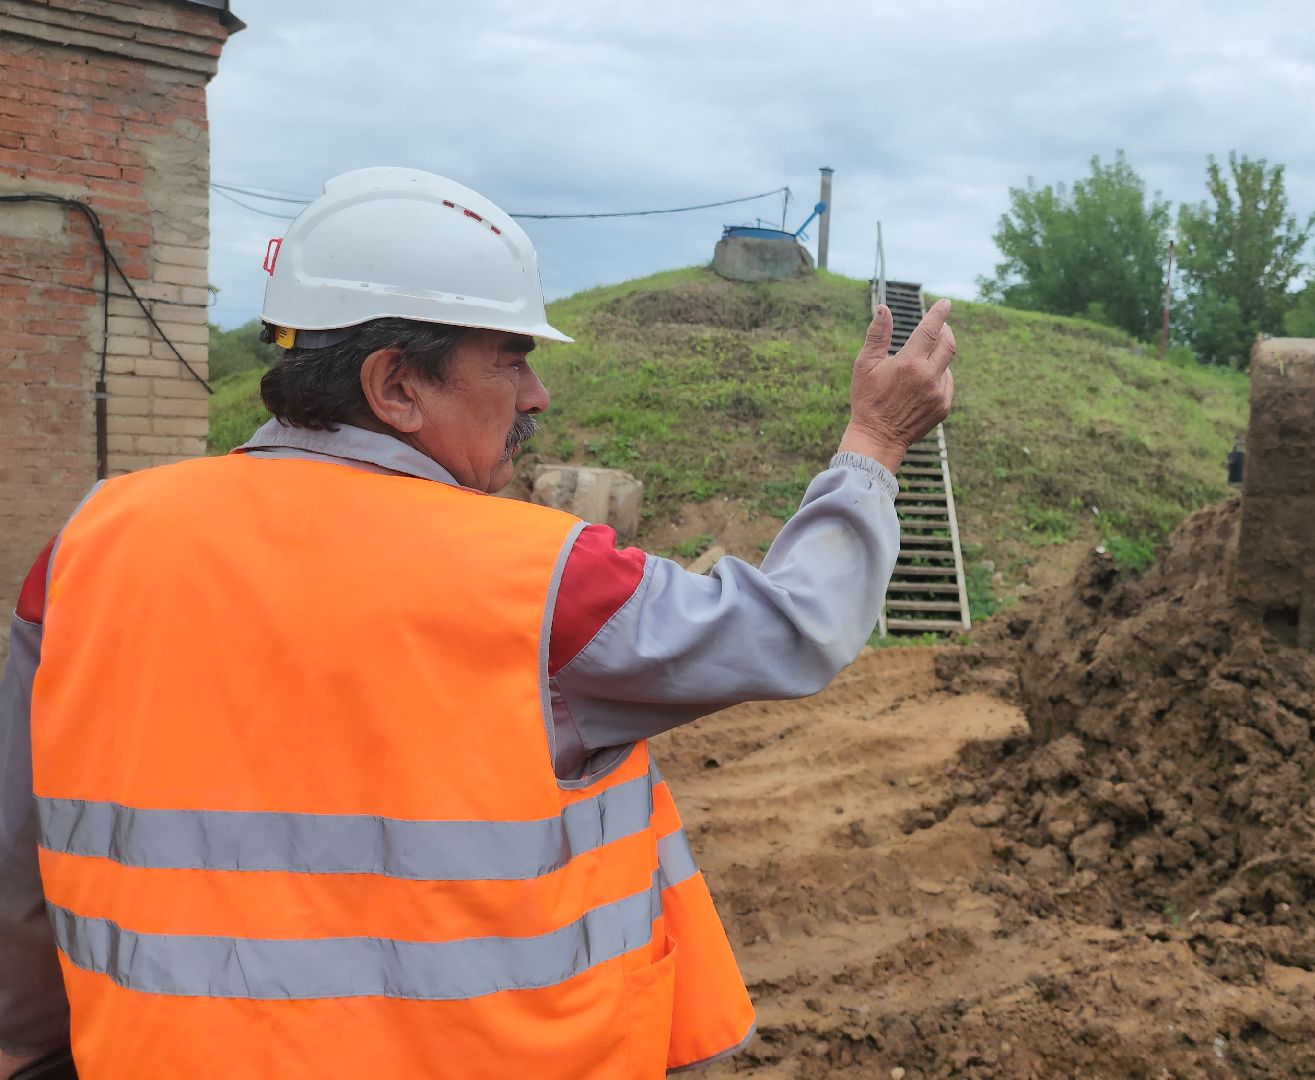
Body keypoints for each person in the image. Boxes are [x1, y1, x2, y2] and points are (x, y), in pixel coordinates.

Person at [0, 167, 955, 1079]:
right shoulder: (539, 581)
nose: (537, 396)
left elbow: (16, 856)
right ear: (396, 387)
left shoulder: (89, 546)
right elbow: (794, 627)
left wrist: (29, 1046)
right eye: (511, 359)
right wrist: (873, 446)